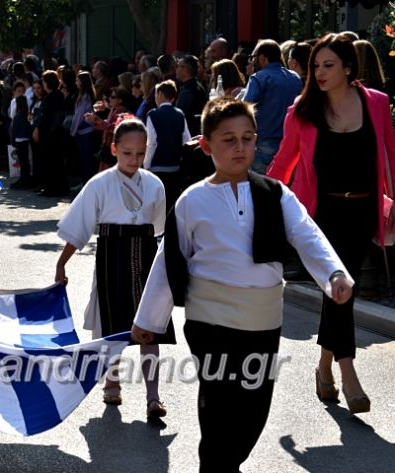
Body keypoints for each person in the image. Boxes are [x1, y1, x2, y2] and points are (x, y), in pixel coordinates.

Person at [132, 97, 353, 472]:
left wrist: (333, 273)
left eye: (247, 138)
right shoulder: (192, 201)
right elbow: (169, 260)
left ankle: (224, 463)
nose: (240, 147)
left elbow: (307, 235)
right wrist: (149, 320)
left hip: (262, 321)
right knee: (217, 404)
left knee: (253, 409)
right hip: (209, 321)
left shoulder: (275, 194)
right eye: (229, 139)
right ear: (206, 146)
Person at [267, 33, 395, 414]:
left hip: (363, 212)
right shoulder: (303, 110)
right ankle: (348, 372)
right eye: (316, 66)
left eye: (328, 65)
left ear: (349, 68)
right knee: (341, 287)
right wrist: (255, 195)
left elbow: (391, 156)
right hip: (320, 217)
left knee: (339, 290)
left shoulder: (376, 103)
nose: (319, 73)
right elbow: (283, 162)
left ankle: (324, 366)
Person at [55, 117, 175, 422]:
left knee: (151, 328)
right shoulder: (99, 184)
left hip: (147, 260)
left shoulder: (155, 185)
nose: (134, 160)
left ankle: (153, 397)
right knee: (114, 326)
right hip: (112, 258)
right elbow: (79, 226)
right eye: (127, 153)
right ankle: (112, 381)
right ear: (114, 149)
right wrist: (61, 261)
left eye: (140, 153)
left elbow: (159, 227)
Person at [243, 39, 302, 173]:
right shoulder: (295, 78)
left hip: (264, 142)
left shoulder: (259, 78)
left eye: (254, 57)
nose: (252, 61)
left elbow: (245, 109)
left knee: (258, 189)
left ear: (263, 58)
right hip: (290, 144)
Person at [145, 80, 192, 211]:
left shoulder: (153, 114)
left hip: (157, 167)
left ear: (159, 94)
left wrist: (146, 165)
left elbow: (152, 143)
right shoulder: (180, 114)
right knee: (172, 202)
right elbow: (186, 140)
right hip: (175, 166)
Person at [175, 55, 208, 136]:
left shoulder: (188, 90)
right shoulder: (196, 85)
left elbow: (180, 115)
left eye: (178, 66)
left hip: (190, 135)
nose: (176, 69)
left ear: (185, 69)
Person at [10, 95, 33, 189]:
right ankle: (25, 179)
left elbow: (13, 130)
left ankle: (23, 180)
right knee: (25, 161)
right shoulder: (27, 114)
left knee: (22, 161)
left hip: (19, 140)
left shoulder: (18, 116)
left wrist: (13, 142)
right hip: (26, 139)